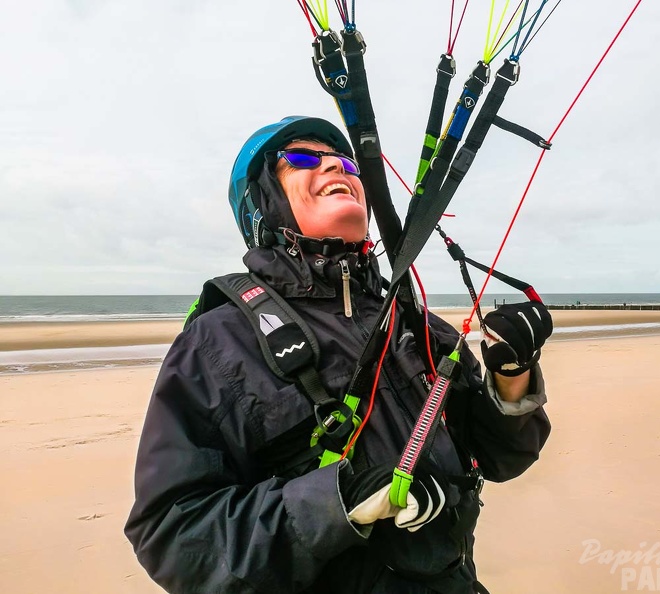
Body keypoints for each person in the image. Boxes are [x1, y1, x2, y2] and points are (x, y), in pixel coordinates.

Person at [125, 115, 553, 593]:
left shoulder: (416, 324)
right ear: (263, 203)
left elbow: (500, 458)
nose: (336, 166)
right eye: (304, 159)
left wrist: (511, 375)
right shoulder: (218, 341)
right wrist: (336, 503)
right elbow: (172, 533)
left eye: (346, 161)